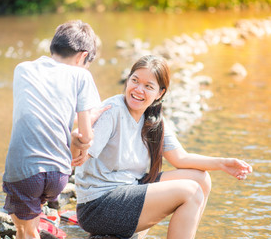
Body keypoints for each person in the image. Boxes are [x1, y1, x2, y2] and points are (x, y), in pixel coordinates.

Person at [71, 55, 253, 239]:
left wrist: (223, 163)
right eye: (134, 81)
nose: (138, 90)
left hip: (129, 190)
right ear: (127, 80)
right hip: (98, 206)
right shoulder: (113, 109)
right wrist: (78, 140)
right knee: (191, 192)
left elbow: (181, 158)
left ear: (160, 93)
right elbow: (79, 157)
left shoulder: (152, 119)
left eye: (148, 86)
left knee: (201, 179)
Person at [2, 20, 106, 239]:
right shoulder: (81, 75)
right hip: (59, 174)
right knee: (34, 212)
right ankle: (46, 215)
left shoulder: (22, 69)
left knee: (24, 229)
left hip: (24, 172)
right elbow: (86, 135)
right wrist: (81, 145)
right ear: (82, 56)